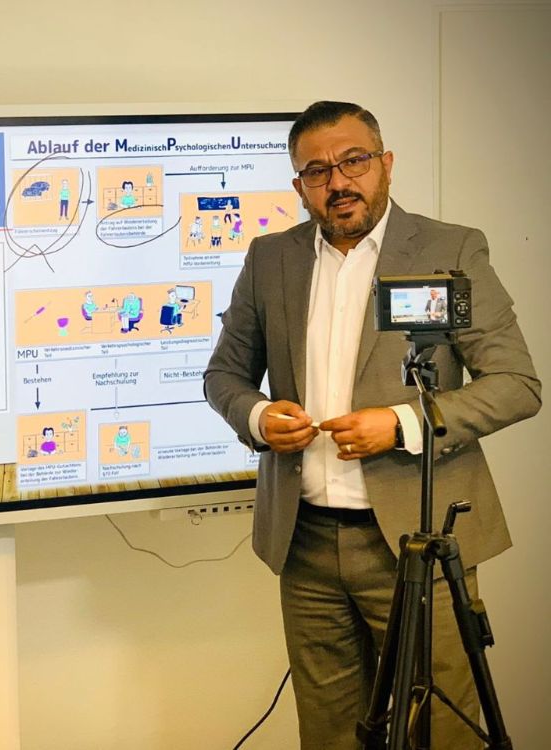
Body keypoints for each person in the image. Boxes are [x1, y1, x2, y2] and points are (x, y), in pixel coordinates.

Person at [203, 101, 540, 750]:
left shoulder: (447, 250)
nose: (338, 181)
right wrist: (258, 415)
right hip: (304, 542)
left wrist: (403, 423)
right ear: (299, 185)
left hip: (418, 539)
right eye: (317, 170)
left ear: (385, 164)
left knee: (439, 731)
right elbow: (224, 376)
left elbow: (515, 385)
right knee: (329, 732)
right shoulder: (271, 258)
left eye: (353, 161)